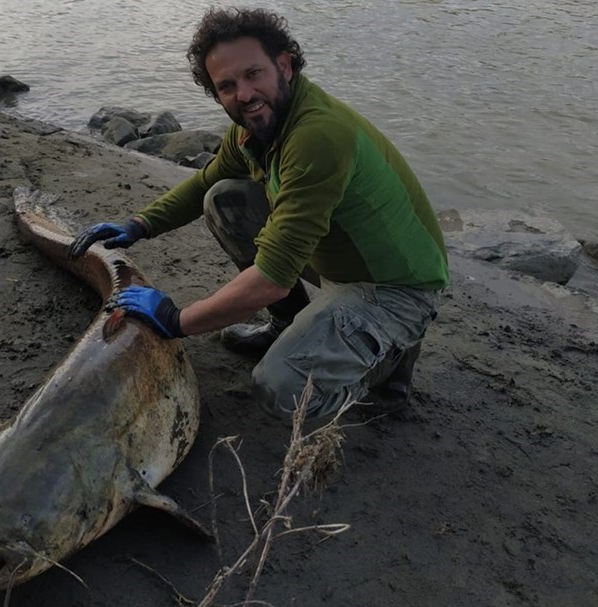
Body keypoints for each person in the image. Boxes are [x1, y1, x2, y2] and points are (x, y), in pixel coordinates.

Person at [68, 7, 449, 419]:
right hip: (338, 259)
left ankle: (387, 366)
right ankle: (289, 327)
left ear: (283, 66)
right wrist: (138, 224)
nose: (244, 94)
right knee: (224, 198)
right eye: (227, 85)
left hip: (397, 287)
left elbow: (272, 279)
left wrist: (176, 319)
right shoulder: (253, 127)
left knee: (281, 388)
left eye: (254, 75)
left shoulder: (317, 135)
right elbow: (202, 184)